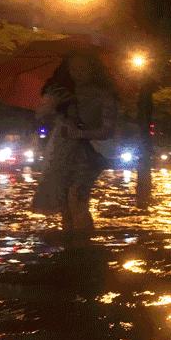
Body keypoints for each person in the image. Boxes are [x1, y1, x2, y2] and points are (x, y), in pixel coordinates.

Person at [32, 50, 118, 232]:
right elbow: (41, 116)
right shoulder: (60, 92)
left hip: (89, 152)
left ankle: (83, 245)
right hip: (61, 151)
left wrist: (80, 133)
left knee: (77, 196)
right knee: (63, 200)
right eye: (73, 68)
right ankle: (70, 245)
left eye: (83, 68)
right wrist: (52, 108)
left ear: (94, 70)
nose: (78, 72)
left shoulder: (103, 96)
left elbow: (108, 130)